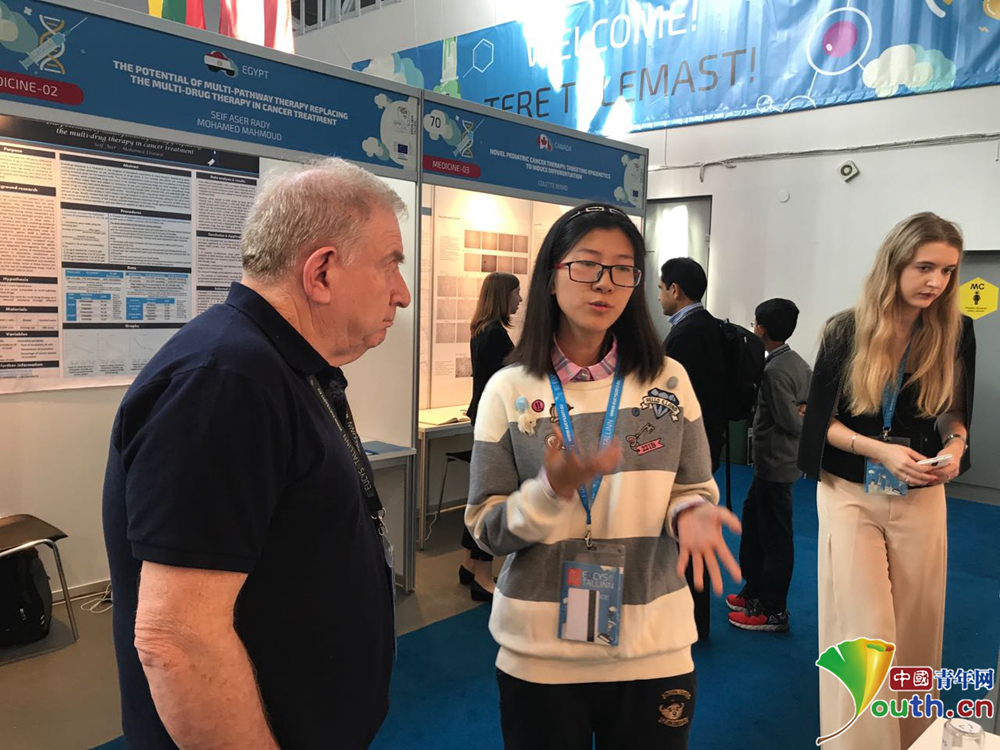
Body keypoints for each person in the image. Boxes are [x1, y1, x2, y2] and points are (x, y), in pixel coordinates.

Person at [102, 158, 411, 749]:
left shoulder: (279, 366)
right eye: (390, 264)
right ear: (322, 272)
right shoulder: (225, 382)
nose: (402, 293)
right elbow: (178, 639)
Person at [465, 202, 742, 750]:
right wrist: (550, 492)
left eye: (622, 269)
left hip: (653, 645)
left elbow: (692, 486)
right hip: (539, 653)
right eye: (587, 264)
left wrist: (692, 513)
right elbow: (486, 528)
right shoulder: (509, 388)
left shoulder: (668, 380)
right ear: (551, 276)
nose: (605, 283)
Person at [798, 212, 975, 750]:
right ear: (894, 264)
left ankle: (914, 739)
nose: (936, 282)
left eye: (947, 271)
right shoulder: (845, 330)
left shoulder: (956, 330)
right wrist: (879, 449)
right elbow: (821, 425)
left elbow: (955, 411)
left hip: (922, 493)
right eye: (925, 267)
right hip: (849, 492)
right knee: (865, 631)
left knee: (919, 627)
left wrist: (955, 445)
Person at [727, 298, 811, 633]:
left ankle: (773, 609)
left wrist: (802, 414)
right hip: (770, 464)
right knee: (755, 524)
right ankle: (754, 591)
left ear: (760, 329)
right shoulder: (795, 361)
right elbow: (805, 406)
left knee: (774, 537)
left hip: (777, 464)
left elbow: (792, 421)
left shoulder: (775, 371)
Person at [658, 257, 727, 641]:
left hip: (683, 451)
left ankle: (688, 620)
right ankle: (694, 619)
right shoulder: (712, 327)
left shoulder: (685, 336)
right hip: (707, 442)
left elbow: (668, 403)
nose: (659, 296)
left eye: (660, 288)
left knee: (682, 533)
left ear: (675, 290)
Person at [461, 272, 522, 602]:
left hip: (483, 416)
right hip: (496, 423)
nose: (520, 300)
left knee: (480, 490)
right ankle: (483, 577)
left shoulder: (481, 329)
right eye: (516, 293)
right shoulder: (495, 334)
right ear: (503, 295)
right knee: (493, 496)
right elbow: (509, 381)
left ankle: (468, 565)